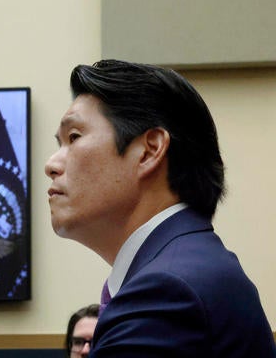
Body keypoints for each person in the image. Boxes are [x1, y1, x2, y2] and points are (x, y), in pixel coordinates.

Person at [45, 59, 276, 356]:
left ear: (150, 151)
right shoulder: (189, 267)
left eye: (74, 137)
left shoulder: (166, 291)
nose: (51, 164)